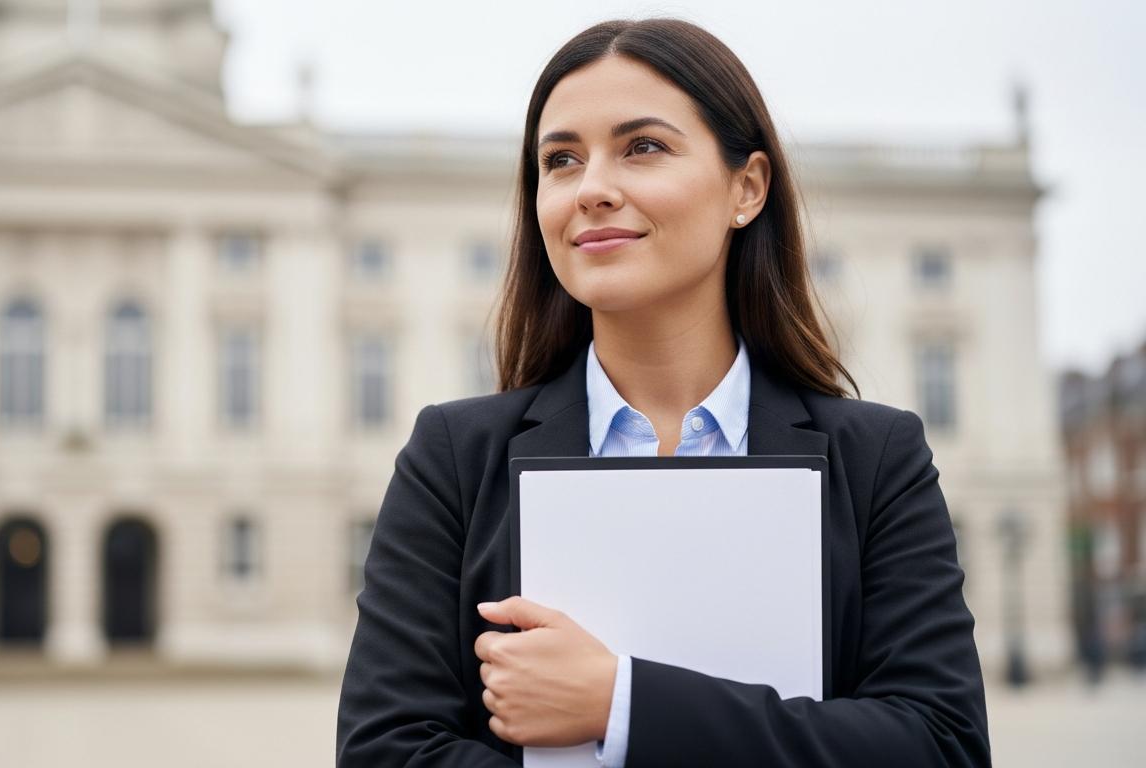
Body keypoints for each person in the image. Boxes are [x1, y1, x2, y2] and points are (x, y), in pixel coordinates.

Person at [337, 17, 988, 767]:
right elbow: (382, 754)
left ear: (746, 187)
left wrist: (620, 703)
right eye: (561, 160)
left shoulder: (878, 461)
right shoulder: (452, 460)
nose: (592, 189)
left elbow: (944, 749)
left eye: (642, 147)